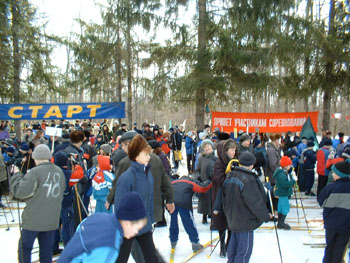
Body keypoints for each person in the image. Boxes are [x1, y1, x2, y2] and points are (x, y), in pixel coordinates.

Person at [11, 144, 66, 263]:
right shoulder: (59, 171)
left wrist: (16, 175)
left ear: (36, 157)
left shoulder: (35, 172)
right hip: (51, 220)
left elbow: (20, 192)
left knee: (24, 248)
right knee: (46, 251)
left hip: (33, 220)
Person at [58, 191, 147, 263]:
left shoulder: (98, 217)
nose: (136, 233)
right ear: (128, 222)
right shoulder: (109, 245)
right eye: (137, 228)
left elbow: (80, 228)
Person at [114, 134, 159, 263]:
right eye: (146, 155)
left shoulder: (147, 175)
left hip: (144, 225)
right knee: (121, 258)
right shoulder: (127, 177)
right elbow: (119, 205)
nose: (149, 157)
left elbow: (149, 200)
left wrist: (150, 219)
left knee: (152, 258)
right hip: (128, 227)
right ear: (136, 156)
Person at [222, 152, 270, 263]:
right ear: (252, 165)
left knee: (233, 248)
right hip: (245, 221)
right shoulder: (248, 179)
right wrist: (266, 216)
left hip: (232, 218)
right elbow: (255, 202)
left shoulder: (230, 175)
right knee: (243, 251)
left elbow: (223, 198)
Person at [317, 160, 350, 263]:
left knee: (330, 246)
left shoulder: (330, 188)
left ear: (340, 174)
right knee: (340, 247)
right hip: (346, 224)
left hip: (331, 223)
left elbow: (321, 201)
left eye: (334, 173)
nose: (332, 174)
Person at [169, 174, 212, 252]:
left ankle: (173, 241)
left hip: (172, 202)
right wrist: (210, 181)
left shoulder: (174, 182)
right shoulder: (190, 182)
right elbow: (202, 188)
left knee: (173, 222)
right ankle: (195, 243)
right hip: (184, 203)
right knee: (189, 223)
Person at [212, 138, 237, 258]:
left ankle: (229, 244)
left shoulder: (234, 161)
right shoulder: (218, 163)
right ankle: (222, 245)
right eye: (231, 150)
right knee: (222, 222)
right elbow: (219, 179)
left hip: (232, 196)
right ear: (225, 151)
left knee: (231, 222)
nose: (233, 153)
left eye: (234, 150)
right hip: (221, 195)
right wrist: (230, 177)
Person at [195, 139, 217, 224]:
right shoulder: (201, 159)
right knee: (204, 200)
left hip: (213, 182)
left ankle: (212, 216)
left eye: (208, 146)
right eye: (205, 147)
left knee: (213, 200)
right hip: (203, 182)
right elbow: (197, 170)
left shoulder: (216, 158)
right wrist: (198, 178)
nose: (207, 148)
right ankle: (204, 215)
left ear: (211, 147)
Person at [273, 156, 296, 230]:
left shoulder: (283, 172)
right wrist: (293, 181)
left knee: (281, 207)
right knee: (285, 208)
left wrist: (291, 175)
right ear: (285, 166)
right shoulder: (281, 174)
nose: (290, 167)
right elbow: (285, 184)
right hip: (283, 193)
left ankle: (280, 222)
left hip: (282, 193)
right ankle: (281, 223)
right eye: (289, 165)